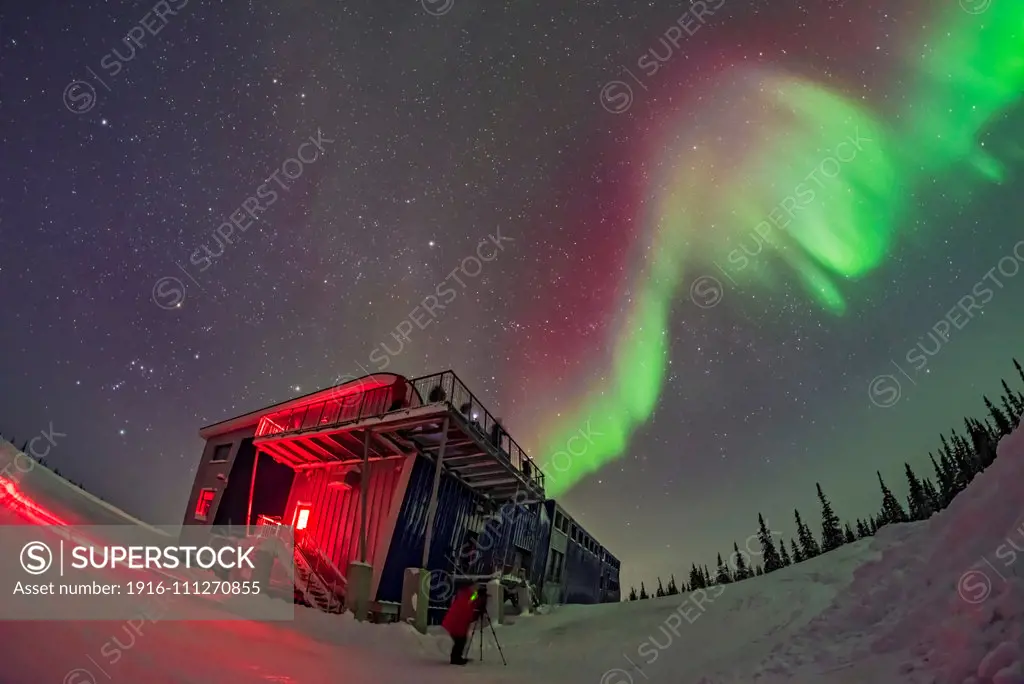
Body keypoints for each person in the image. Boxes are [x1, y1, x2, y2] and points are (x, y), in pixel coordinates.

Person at [442, 582, 485, 665]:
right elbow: (466, 608)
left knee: (461, 641)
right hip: (456, 623)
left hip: (456, 623)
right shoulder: (465, 596)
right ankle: (455, 659)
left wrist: (477, 595)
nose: (475, 588)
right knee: (460, 641)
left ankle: (457, 657)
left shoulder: (466, 594)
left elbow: (472, 599)